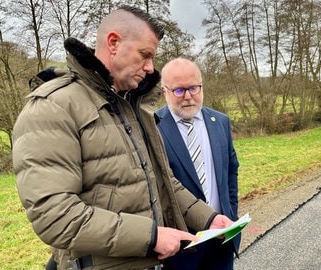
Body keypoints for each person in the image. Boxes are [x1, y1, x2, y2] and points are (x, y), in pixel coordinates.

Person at [12, 6, 233, 270]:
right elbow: (55, 215)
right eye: (145, 55)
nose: (151, 68)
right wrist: (151, 237)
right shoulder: (53, 107)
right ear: (113, 43)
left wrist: (210, 220)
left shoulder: (135, 110)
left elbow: (165, 182)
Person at [156, 58, 240, 270]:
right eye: (179, 90)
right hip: (181, 247)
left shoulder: (220, 121)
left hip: (222, 238)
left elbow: (231, 173)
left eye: (193, 88)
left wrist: (231, 215)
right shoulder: (152, 127)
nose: (188, 96)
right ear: (163, 90)